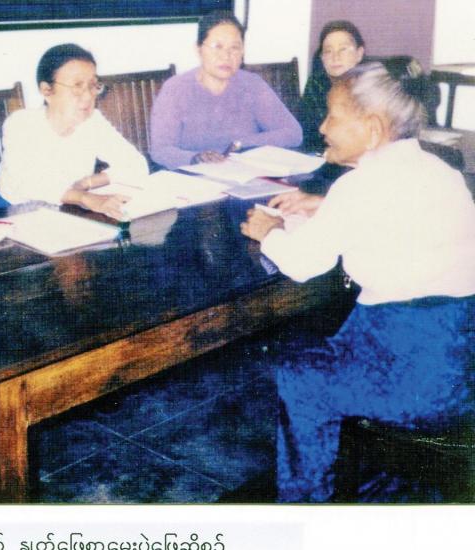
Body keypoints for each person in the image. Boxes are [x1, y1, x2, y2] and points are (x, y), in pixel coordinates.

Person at [240, 63, 475, 502]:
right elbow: (390, 216)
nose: (322, 127)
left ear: (372, 129)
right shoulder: (440, 172)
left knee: (299, 375)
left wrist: (268, 231)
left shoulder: (359, 187)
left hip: (415, 380)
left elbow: (304, 263)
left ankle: (307, 504)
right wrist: (323, 206)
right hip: (463, 366)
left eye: (332, 116)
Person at [0, 43, 149, 220]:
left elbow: (136, 165)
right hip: (14, 212)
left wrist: (86, 183)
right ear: (46, 90)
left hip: (68, 210)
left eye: (93, 85)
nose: (88, 96)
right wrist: (84, 197)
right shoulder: (21, 124)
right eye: (77, 86)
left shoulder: (93, 121)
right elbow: (29, 184)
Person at [149, 11, 302, 169]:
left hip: (243, 174)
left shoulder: (252, 85)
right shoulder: (175, 89)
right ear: (198, 49)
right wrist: (195, 158)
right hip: (194, 176)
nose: (226, 56)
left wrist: (240, 145)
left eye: (235, 48)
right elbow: (161, 150)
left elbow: (293, 133)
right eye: (217, 46)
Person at [299, 20, 365, 152]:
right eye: (328, 51)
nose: (335, 57)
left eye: (343, 49)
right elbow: (309, 134)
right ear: (322, 58)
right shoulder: (316, 84)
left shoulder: (371, 86)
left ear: (359, 54)